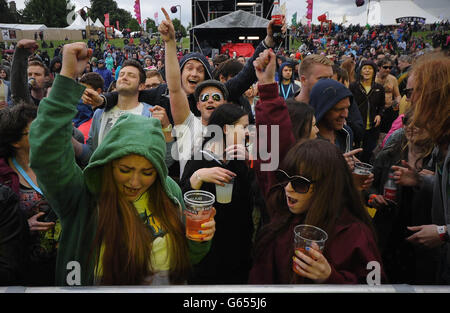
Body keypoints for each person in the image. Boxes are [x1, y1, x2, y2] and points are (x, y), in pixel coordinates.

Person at [28, 42, 216, 286]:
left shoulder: (170, 193)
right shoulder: (83, 197)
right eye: (125, 170)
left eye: (147, 172)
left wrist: (198, 239)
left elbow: (186, 259)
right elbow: (46, 152)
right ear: (108, 162)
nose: (135, 181)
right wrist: (66, 77)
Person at [249, 139, 385, 284]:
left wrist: (330, 277)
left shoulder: (355, 234)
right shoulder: (283, 219)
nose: (288, 188)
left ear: (326, 187)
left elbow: (376, 285)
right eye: (284, 178)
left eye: (300, 183)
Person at [391, 52, 450, 284]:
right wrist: (420, 180)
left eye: (411, 92)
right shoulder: (442, 141)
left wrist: (443, 232)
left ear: (433, 94)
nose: (410, 100)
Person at [180, 104, 253, 284]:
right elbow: (182, 199)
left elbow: (257, 195)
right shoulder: (199, 159)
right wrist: (199, 177)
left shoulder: (241, 159)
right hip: (209, 248)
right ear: (226, 129)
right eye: (243, 127)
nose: (247, 133)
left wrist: (251, 163)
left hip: (239, 246)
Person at [368, 109, 437, 284]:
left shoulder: (439, 162)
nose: (412, 128)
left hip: (425, 239)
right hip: (388, 235)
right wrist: (373, 197)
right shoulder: (389, 154)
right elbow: (369, 187)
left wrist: (429, 182)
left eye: (419, 124)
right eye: (407, 122)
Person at [73, 59, 174, 169]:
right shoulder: (100, 113)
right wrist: (69, 139)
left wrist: (166, 128)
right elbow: (92, 153)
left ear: (141, 86)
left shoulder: (151, 114)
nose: (124, 77)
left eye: (131, 75)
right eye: (121, 74)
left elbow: (165, 160)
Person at [0, 103, 59, 286]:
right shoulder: (3, 176)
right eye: (36, 129)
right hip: (20, 268)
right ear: (15, 141)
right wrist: (21, 227)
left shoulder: (59, 164)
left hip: (61, 263)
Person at [349, 60, 385, 163]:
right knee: (354, 151)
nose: (367, 71)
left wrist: (379, 115)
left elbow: (382, 105)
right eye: (364, 68)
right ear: (360, 71)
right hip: (356, 125)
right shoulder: (353, 87)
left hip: (372, 127)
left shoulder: (379, 88)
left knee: (368, 152)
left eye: (370, 68)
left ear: (374, 72)